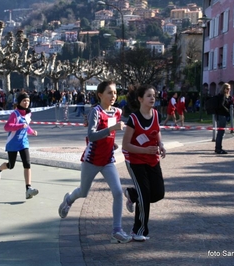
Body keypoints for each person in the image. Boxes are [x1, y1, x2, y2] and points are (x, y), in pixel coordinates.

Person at [58, 81, 132, 244]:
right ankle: (69, 199)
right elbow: (91, 136)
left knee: (118, 192)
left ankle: (116, 231)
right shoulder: (96, 112)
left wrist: (112, 143)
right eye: (109, 93)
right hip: (91, 160)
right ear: (100, 95)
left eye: (115, 92)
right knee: (84, 192)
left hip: (108, 160)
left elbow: (110, 134)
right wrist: (111, 131)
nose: (113, 96)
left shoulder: (118, 112)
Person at [121, 84, 166, 242]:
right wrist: (144, 151)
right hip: (135, 161)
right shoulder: (133, 119)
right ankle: (138, 231)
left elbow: (157, 132)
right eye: (149, 95)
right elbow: (126, 145)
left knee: (158, 193)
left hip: (152, 160)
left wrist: (161, 145)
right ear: (140, 99)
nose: (152, 98)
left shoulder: (156, 114)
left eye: (154, 95)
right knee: (145, 195)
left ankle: (133, 194)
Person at [0, 93, 39, 200]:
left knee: (27, 164)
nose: (26, 103)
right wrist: (19, 126)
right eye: (24, 101)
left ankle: (28, 189)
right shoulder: (15, 114)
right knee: (11, 165)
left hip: (23, 143)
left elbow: (26, 127)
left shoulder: (28, 114)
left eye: (28, 101)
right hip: (13, 143)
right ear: (19, 102)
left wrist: (32, 132)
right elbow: (7, 127)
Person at [214, 83, 233, 154]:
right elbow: (221, 105)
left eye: (229, 89)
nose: (229, 90)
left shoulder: (224, 96)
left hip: (220, 115)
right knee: (221, 132)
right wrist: (227, 111)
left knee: (220, 132)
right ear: (224, 89)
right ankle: (218, 148)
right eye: (227, 89)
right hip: (221, 115)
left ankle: (218, 147)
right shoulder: (222, 96)